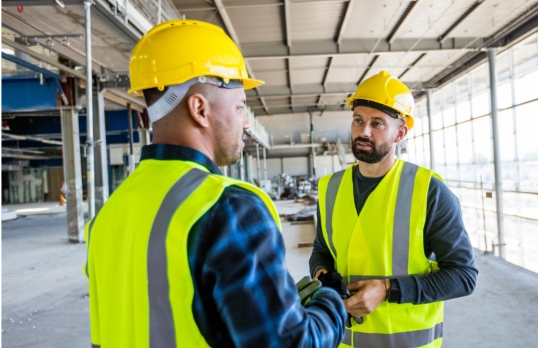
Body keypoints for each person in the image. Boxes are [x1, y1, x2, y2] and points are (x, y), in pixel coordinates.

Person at [83, 20, 346, 348]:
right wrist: (332, 302)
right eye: (239, 106)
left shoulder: (107, 215)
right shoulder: (228, 209)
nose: (246, 122)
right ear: (199, 109)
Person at [309, 71, 478, 348]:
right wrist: (322, 276)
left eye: (377, 123)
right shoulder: (330, 188)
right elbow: (322, 250)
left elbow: (463, 276)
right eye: (358, 120)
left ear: (400, 132)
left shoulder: (429, 190)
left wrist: (389, 289)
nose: (364, 131)